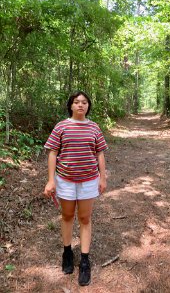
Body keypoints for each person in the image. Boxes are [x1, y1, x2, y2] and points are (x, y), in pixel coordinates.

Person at [43, 91, 108, 286]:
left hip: (89, 180)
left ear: (88, 106)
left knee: (85, 218)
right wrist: (50, 180)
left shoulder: (94, 128)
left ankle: (85, 260)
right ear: (70, 106)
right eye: (76, 102)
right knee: (67, 216)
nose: (80, 105)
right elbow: (53, 153)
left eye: (84, 102)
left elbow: (100, 154)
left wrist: (102, 178)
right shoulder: (61, 127)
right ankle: (67, 252)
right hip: (65, 180)